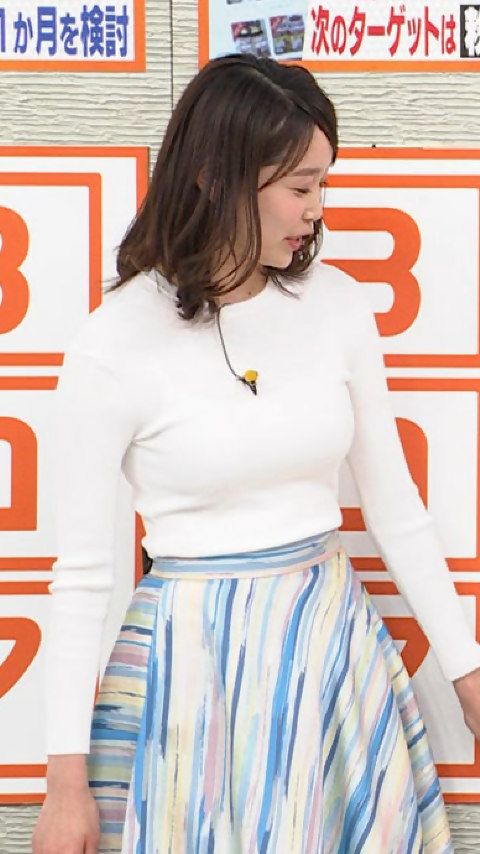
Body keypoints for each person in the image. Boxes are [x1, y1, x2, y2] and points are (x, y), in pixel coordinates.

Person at [33, 53, 480, 854]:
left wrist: (467, 672)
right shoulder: (114, 343)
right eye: (300, 187)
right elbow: (83, 577)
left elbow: (397, 510)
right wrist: (64, 785)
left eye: (323, 184)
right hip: (188, 673)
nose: (316, 209)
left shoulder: (337, 306)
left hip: (332, 654)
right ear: (216, 178)